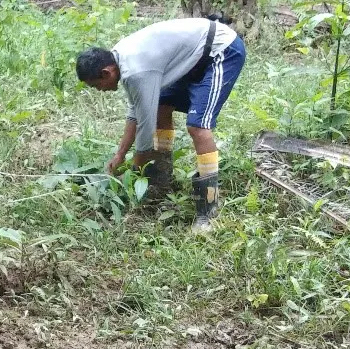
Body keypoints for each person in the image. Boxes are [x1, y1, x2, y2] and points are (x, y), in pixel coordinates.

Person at [76, 15, 246, 233]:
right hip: (194, 58)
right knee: (161, 105)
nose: (99, 90)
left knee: (198, 126)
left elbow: (145, 129)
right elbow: (136, 111)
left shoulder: (136, 71)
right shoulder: (120, 61)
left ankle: (208, 210)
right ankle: (162, 182)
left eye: (96, 85)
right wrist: (120, 154)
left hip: (220, 51)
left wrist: (137, 171)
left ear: (106, 72)